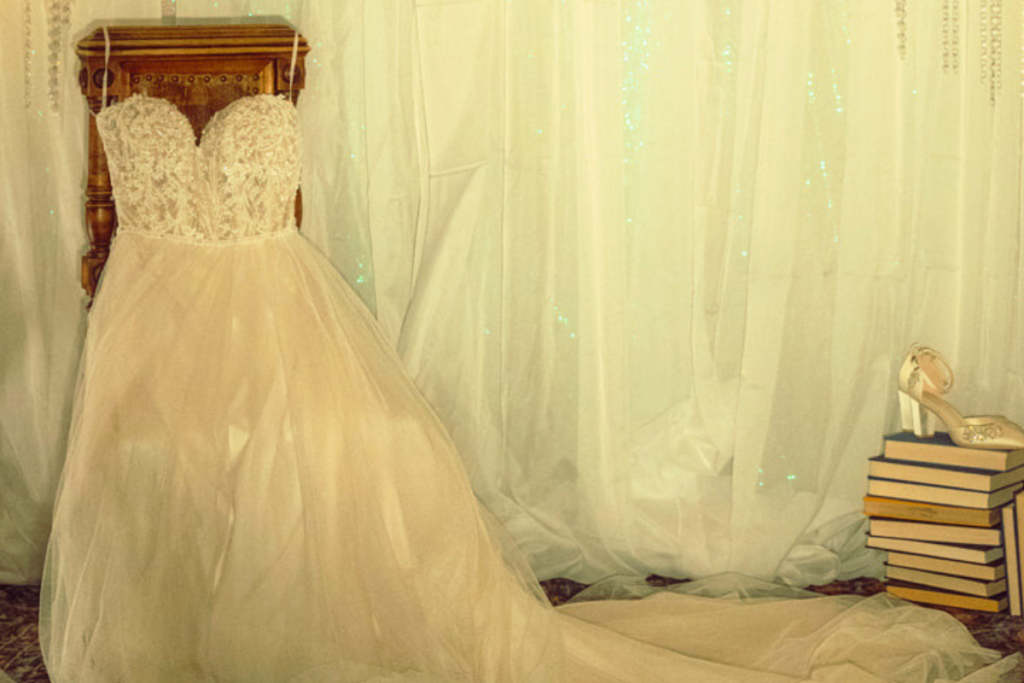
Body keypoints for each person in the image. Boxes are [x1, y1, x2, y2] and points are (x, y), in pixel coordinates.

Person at [39, 29, 1021, 683]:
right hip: (150, 320)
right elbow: (104, 222)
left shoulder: (280, 68)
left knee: (382, 461)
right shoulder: (108, 66)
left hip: (286, 306)